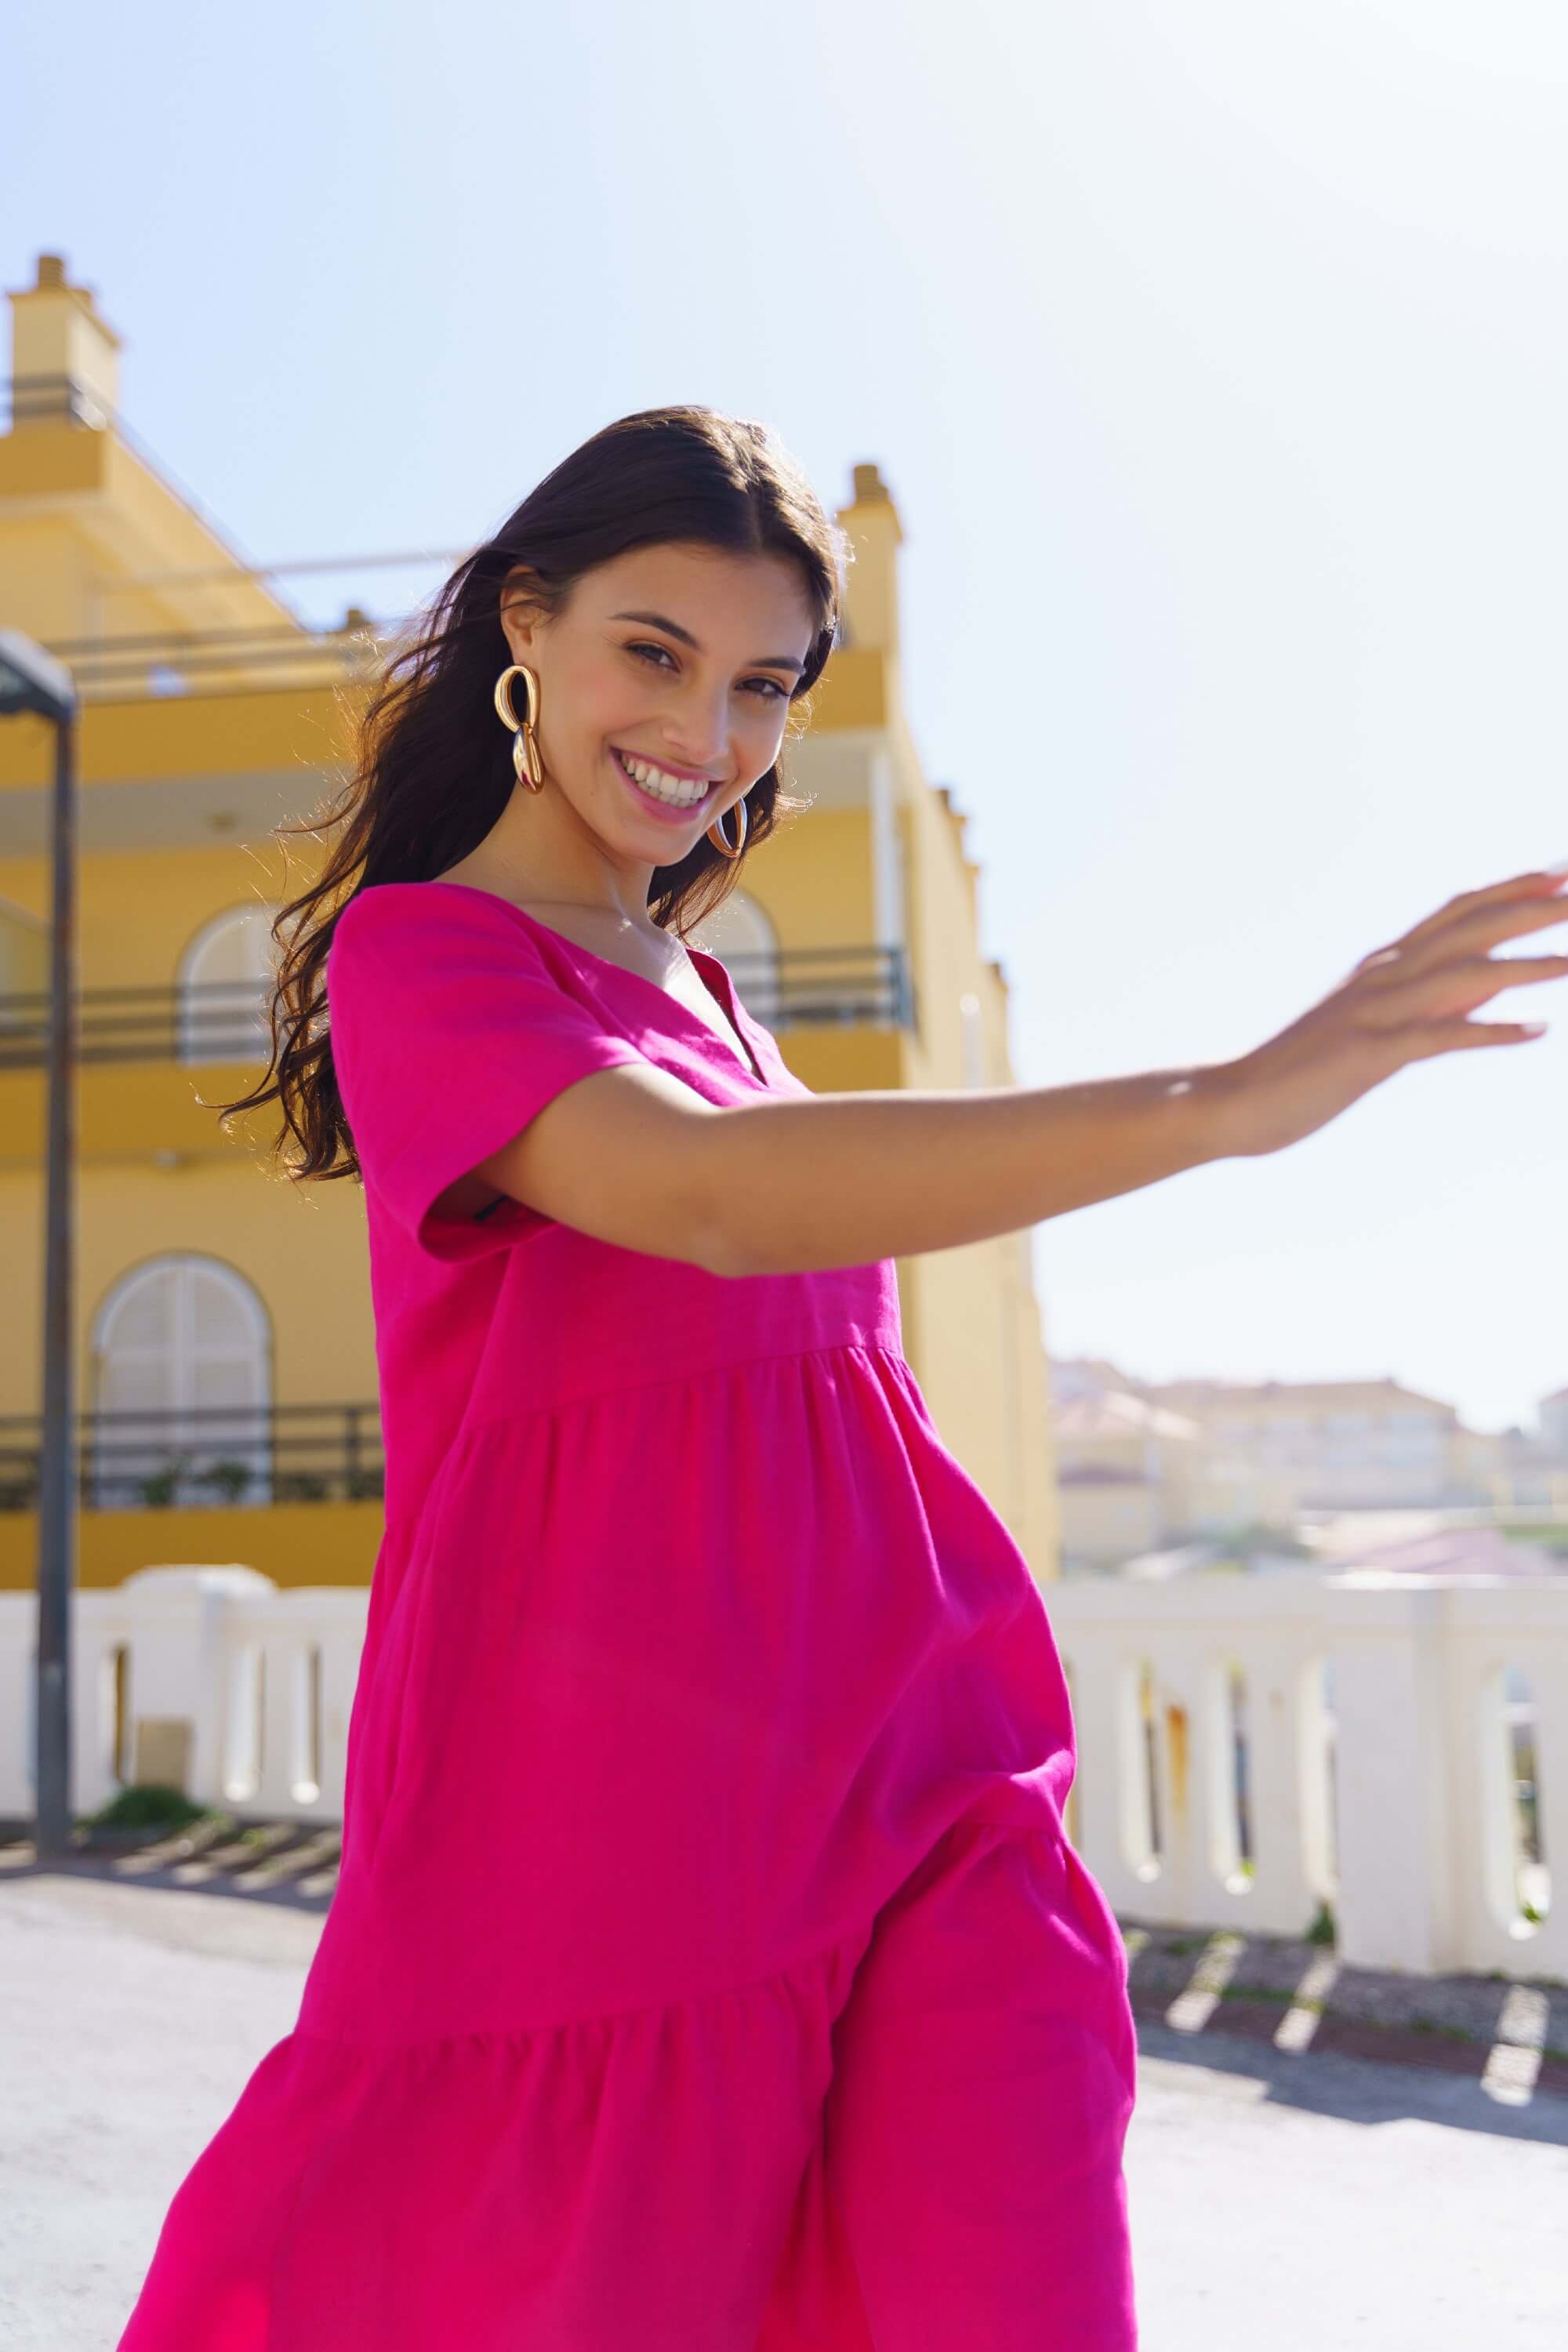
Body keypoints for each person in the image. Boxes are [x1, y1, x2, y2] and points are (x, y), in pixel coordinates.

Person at [116, 406, 1568, 2352]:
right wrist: (1224, 1106)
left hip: (920, 1748)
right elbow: (700, 1201)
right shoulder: (427, 958)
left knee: (1009, 2274)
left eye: (763, 687)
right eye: (656, 654)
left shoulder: (711, 992)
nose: (706, 736)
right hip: (602, 1804)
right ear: (524, 630)